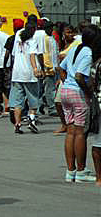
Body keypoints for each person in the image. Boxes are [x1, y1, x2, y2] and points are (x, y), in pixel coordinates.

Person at [59, 26, 96, 183]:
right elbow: (80, 76)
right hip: (78, 93)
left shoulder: (75, 48)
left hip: (66, 91)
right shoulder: (88, 52)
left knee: (71, 131)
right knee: (80, 132)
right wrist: (88, 93)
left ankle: (70, 170)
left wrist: (66, 82)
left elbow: (61, 68)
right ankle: (81, 171)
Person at [9, 21, 41, 134]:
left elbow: (13, 54)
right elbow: (32, 55)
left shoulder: (18, 37)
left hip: (17, 74)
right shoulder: (32, 40)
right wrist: (35, 69)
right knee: (33, 98)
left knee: (18, 101)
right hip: (29, 74)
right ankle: (31, 120)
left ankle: (17, 124)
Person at [87, 32, 101, 186]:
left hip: (96, 103)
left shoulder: (94, 64)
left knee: (98, 142)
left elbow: (91, 84)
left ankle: (99, 177)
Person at [42, 21, 59, 118]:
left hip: (55, 67)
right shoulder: (45, 39)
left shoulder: (52, 38)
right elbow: (45, 54)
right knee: (50, 89)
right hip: (49, 68)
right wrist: (48, 66)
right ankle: (52, 108)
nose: (51, 30)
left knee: (53, 89)